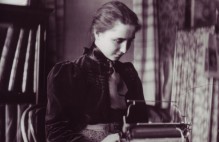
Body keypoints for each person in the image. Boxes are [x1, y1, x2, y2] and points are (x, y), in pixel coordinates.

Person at [45, 1, 148, 142]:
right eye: (118, 40)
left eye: (130, 41)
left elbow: (141, 124)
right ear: (97, 33)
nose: (124, 49)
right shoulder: (69, 73)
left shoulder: (128, 74)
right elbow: (55, 134)